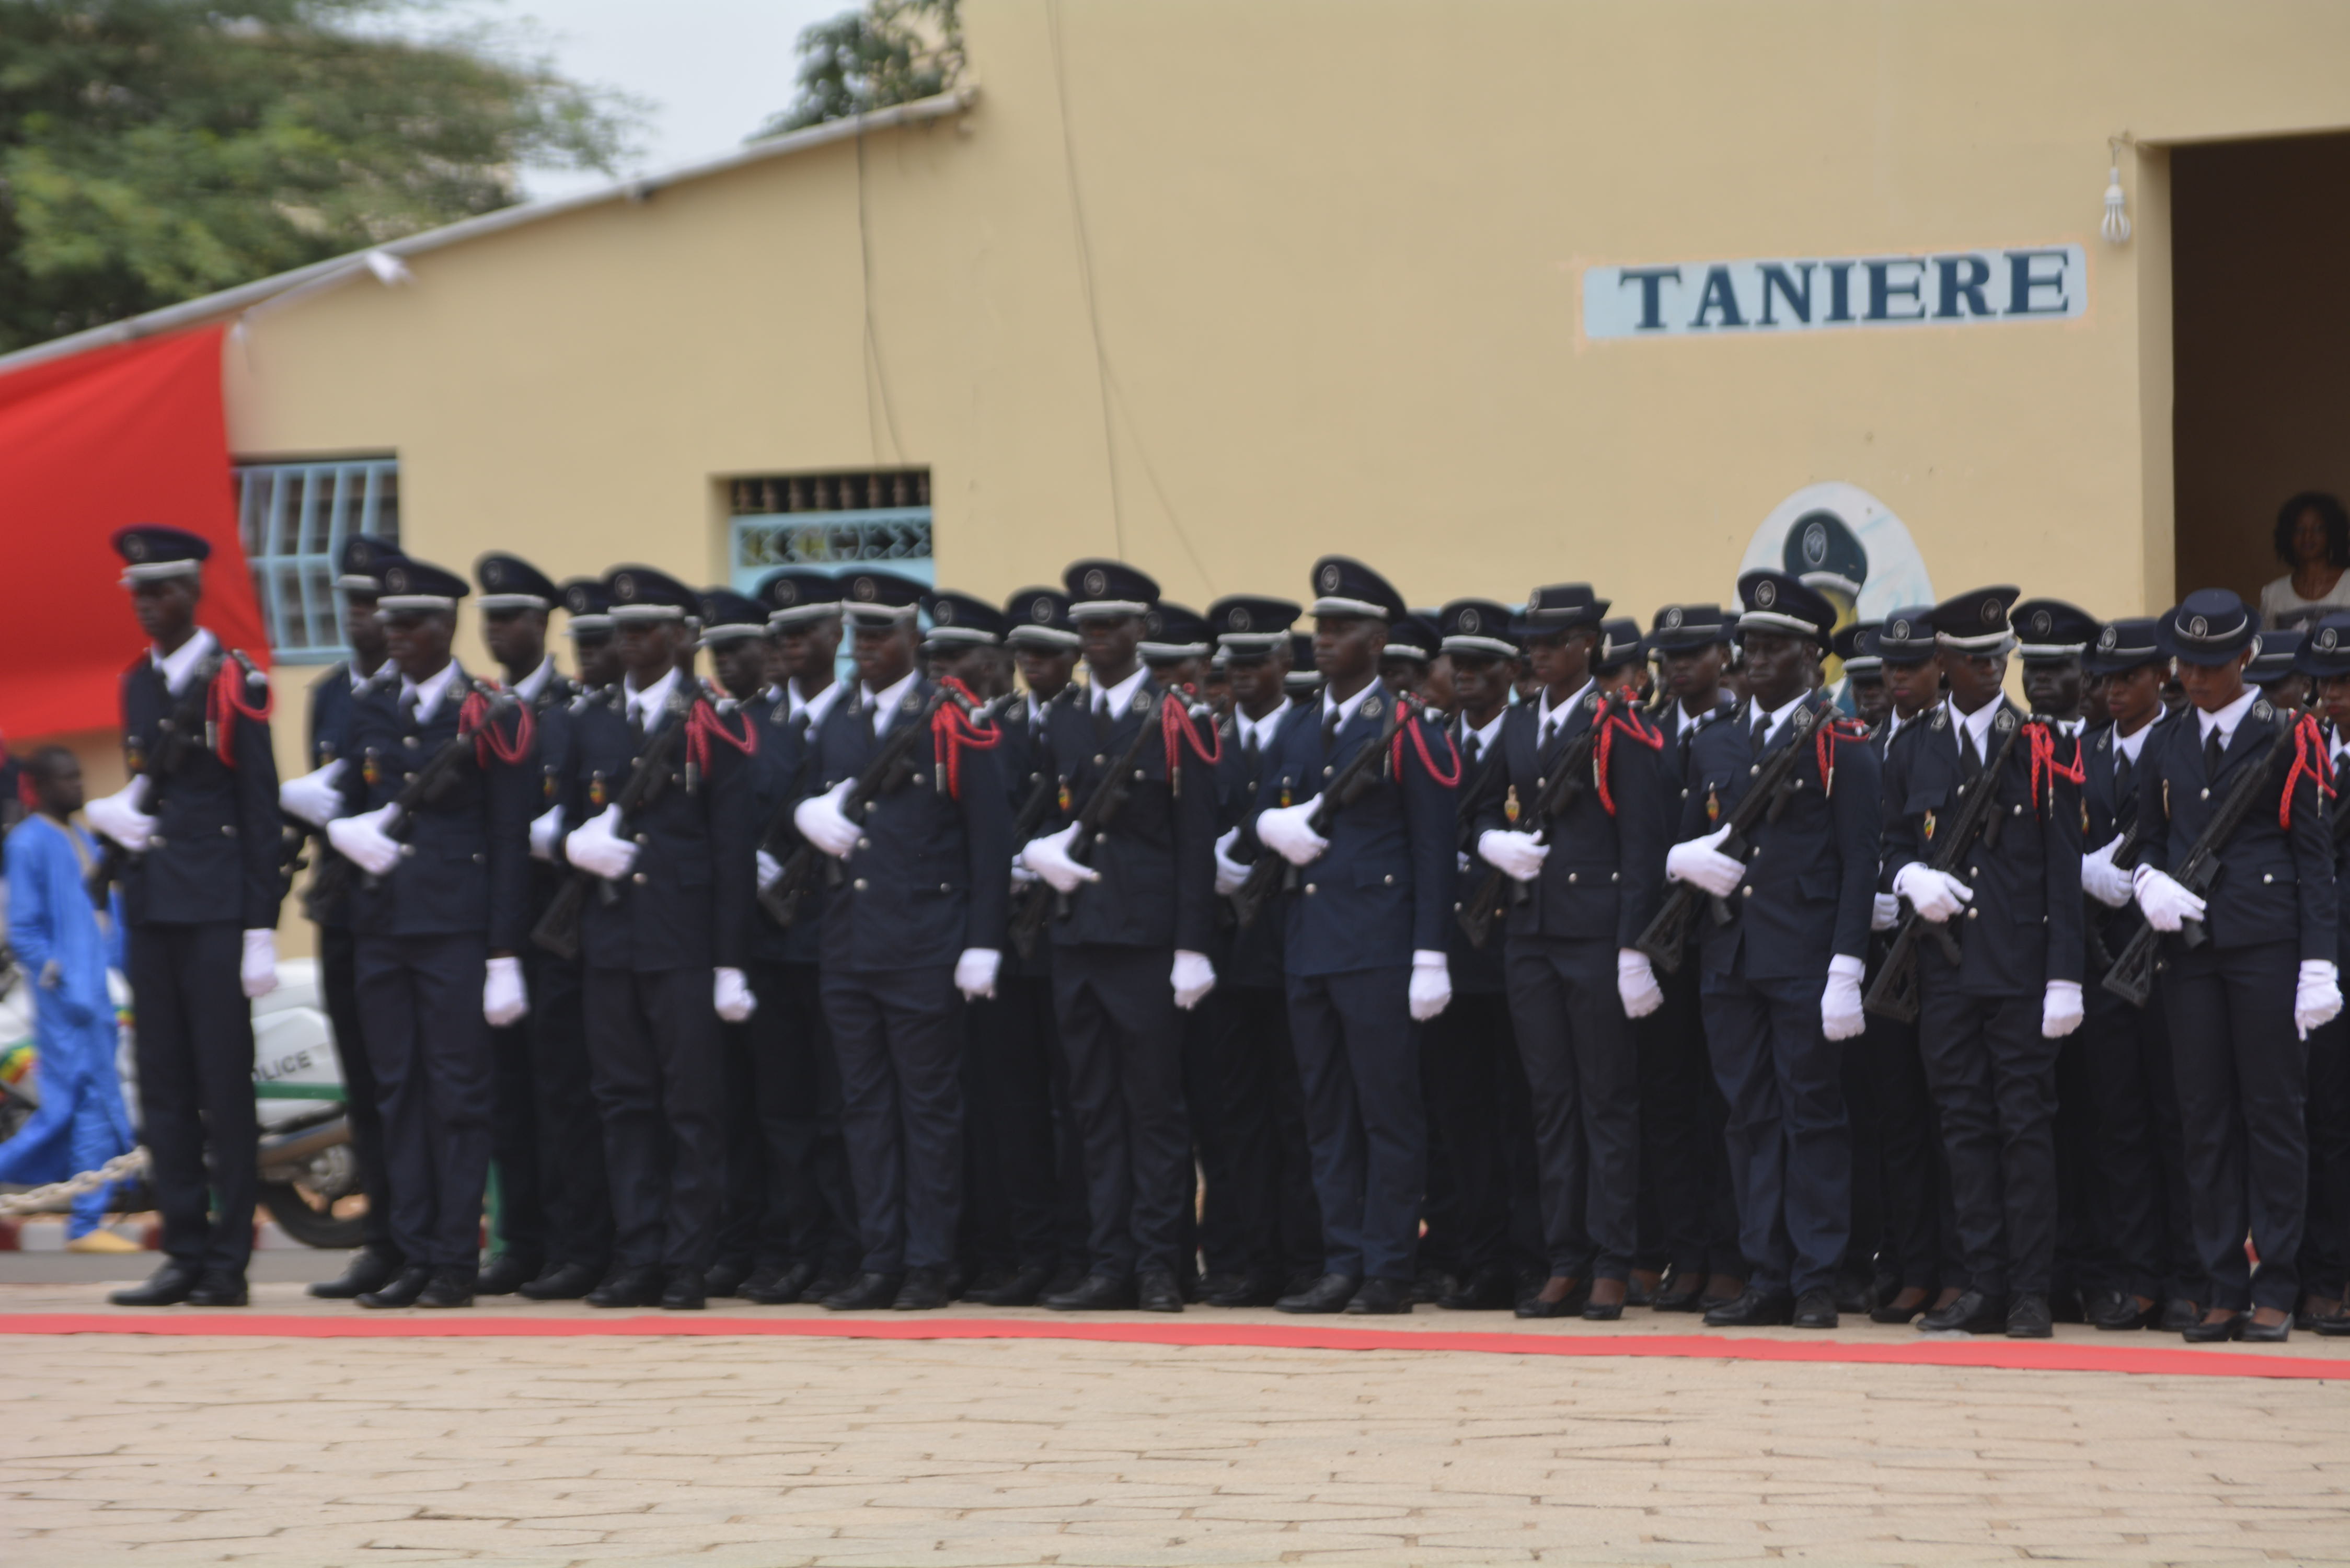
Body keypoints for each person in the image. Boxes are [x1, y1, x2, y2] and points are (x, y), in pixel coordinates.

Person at [304, 558, 536, 1309]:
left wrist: (504, 954)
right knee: (397, 1091)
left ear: (447, 627)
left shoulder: (489, 713)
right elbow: (341, 796)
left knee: (458, 1096)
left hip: (455, 931)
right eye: (389, 622)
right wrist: (341, 828)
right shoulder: (368, 707)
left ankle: (452, 1262)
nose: (394, 635)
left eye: (412, 623)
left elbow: (507, 840)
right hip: (380, 926)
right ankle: (411, 1250)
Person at [789, 569, 1010, 1311]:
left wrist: (984, 942)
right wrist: (805, 817)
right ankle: (879, 1258)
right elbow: (812, 805)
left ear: (915, 639)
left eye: (883, 634)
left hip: (926, 941)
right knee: (864, 1108)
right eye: (860, 634)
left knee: (927, 1109)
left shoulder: (952, 717)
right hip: (849, 946)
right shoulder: (839, 723)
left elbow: (988, 841)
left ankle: (927, 1263)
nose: (869, 647)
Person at [1664, 570, 1878, 1329]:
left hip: (1804, 958)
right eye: (1749, 644)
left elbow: (1860, 863)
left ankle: (1816, 1277)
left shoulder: (1841, 743)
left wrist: (1846, 969)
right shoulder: (1716, 741)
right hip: (1731, 958)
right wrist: (1679, 860)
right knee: (1749, 1117)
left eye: (1774, 646)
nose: (1755, 657)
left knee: (1811, 1114)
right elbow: (1687, 833)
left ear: (1812, 659)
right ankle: (1766, 1273)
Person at [1247, 556, 1457, 1316]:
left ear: (1379, 641)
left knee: (1387, 1113)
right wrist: (1271, 824)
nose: (1325, 641)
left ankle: (1390, 1268)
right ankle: (1342, 1262)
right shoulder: (1303, 725)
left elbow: (1435, 851)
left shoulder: (1407, 730)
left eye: (1342, 630)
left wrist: (1430, 957)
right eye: (1321, 629)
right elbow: (1259, 807)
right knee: (1326, 1114)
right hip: (1309, 947)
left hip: (1379, 948)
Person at [2133, 589, 2341, 1341]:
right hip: (2191, 953)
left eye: (2212, 665)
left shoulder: (2288, 735)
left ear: (2245, 660)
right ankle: (2223, 1283)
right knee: (2205, 1119)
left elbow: (2314, 861)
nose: (2195, 677)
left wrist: (2320, 964)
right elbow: (2148, 836)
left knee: (2273, 1116)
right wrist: (2147, 882)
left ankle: (2277, 1284)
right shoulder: (2170, 739)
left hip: (2267, 946)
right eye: (2186, 663)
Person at [1879, 589, 2086, 1340]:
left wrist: (2065, 976)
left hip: (2021, 970)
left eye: (1999, 657)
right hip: (1945, 969)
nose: (1992, 669)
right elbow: (1893, 841)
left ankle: (2029, 1290)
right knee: (1962, 1127)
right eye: (1974, 659)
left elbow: (2063, 875)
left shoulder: (2042, 745)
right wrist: (1910, 880)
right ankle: (1980, 1283)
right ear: (1942, 663)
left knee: (2025, 1127)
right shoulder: (1911, 747)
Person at [85, 525, 283, 1309]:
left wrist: (260, 926)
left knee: (223, 1089)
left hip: (216, 913)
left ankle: (228, 1262)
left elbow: (259, 807)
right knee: (163, 1088)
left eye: (160, 590)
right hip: (155, 908)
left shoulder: (236, 681)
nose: (146, 605)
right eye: (136, 592)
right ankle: (183, 1251)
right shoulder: (137, 682)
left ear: (192, 594)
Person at [555, 564, 760, 1310]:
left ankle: (686, 1262)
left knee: (692, 1108)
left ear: (682, 637)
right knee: (622, 1103)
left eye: (648, 629)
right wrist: (573, 844)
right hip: (612, 940)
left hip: (683, 944)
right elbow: (569, 814)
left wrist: (730, 965)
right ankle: (636, 1254)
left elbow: (732, 854)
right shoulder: (591, 721)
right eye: (624, 630)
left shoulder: (716, 721)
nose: (633, 642)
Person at [1015, 561, 1217, 1313]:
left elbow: (1195, 840)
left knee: (1155, 1110)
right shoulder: (1062, 715)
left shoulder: (1179, 718)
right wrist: (1038, 852)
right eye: (1087, 628)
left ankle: (1162, 1265)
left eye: (1112, 626)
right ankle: (1109, 1262)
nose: (1098, 640)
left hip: (1147, 940)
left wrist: (1193, 946)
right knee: (1095, 1110)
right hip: (1078, 937)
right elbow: (1043, 806)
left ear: (1143, 631)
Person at [1469, 585, 1668, 1320]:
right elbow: (1483, 803)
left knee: (1606, 1101)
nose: (1538, 653)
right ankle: (1565, 1260)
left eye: (1552, 642)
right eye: (1533, 643)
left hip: (1594, 936)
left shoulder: (1621, 727)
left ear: (1587, 644)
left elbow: (1643, 847)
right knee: (1550, 1103)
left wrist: (1631, 950)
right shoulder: (1518, 725)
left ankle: (1613, 1261)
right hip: (1531, 936)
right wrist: (1493, 840)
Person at [284, 534, 405, 1300]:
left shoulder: (413, 692)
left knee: (406, 1085)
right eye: (351, 605)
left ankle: (419, 1241)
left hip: (401, 915)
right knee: (362, 1084)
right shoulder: (329, 693)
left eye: (373, 606)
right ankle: (380, 1240)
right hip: (341, 912)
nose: (360, 620)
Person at [2077, 616, 2203, 1332]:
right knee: (2118, 1123)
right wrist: (2080, 874)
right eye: (2106, 678)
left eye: (2130, 676)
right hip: (2102, 961)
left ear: (2162, 676)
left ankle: (2189, 1275)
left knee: (2177, 1121)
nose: (2115, 689)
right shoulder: (2082, 751)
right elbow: (2056, 839)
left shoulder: (2182, 743)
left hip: (2170, 957)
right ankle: (2141, 1276)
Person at [968, 585, 1090, 1305]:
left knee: (1075, 1110)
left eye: (1049, 652)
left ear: (1073, 657)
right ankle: (1030, 1252)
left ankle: (1077, 1253)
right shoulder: (995, 725)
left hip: (1072, 937)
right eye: (1025, 652)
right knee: (1012, 1107)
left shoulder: (1090, 721)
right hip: (1009, 944)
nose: (1035, 663)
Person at [741, 567, 860, 1305]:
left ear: (836, 635)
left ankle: (848, 1250)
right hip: (767, 941)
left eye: (804, 633)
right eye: (780, 635)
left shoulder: (860, 717)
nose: (789, 647)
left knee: (839, 1108)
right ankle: (796, 1248)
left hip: (841, 940)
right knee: (780, 1109)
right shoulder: (753, 722)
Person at [1420, 598, 1542, 1313]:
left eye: (1480, 665)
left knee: (1521, 1115)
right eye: (1455, 664)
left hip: (1517, 949)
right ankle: (1481, 1257)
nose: (1464, 677)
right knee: (1461, 1116)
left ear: (1511, 671)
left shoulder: (1532, 736)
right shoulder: (1433, 740)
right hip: (1451, 959)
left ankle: (1529, 1258)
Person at [1203, 594, 1323, 1307]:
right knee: (1237, 1116)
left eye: (1257, 662)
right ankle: (1254, 1259)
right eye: (1233, 665)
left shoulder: (1310, 735)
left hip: (1290, 943)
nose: (1244, 676)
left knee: (1299, 1111)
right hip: (1223, 951)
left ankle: (1307, 1257)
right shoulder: (1205, 736)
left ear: (1285, 661)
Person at [468, 551, 577, 1297]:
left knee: (561, 1093)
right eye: (490, 619)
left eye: (511, 618)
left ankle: (568, 1242)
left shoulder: (568, 711)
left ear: (542, 624)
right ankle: (520, 1240)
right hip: (492, 929)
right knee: (505, 1094)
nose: (497, 631)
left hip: (556, 928)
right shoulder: (480, 710)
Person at [1856, 609, 1964, 1324]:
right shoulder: (1862, 742)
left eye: (1911, 665)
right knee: (1893, 1119)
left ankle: (1954, 1267)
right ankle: (1909, 1265)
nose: (1896, 678)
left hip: (1940, 954)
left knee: (1947, 1115)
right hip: (1871, 956)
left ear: (1941, 667)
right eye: (1886, 669)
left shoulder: (1946, 745)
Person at [1637, 604, 1744, 1312]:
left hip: (1727, 936)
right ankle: (1687, 1252)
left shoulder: (1741, 730)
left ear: (1724, 656)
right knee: (1667, 1104)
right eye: (1667, 655)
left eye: (1693, 651)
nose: (1677, 665)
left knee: (1725, 1103)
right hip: (1657, 941)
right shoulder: (1644, 733)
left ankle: (1731, 1255)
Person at [0, 747, 135, 1250]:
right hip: (63, 1004)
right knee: (66, 1109)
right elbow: (26, 928)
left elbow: (106, 916)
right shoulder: (28, 842)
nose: (77, 786)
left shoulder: (84, 839)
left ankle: (88, 1221)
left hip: (100, 996)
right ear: (38, 786)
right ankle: (83, 1219)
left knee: (96, 1105)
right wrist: (59, 977)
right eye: (65, 779)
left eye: (79, 776)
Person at [698, 586, 791, 1299]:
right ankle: (736, 1240)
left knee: (782, 1108)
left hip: (783, 937)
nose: (728, 663)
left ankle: (785, 1247)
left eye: (741, 649)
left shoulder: (791, 727)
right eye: (718, 652)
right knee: (725, 1107)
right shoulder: (710, 725)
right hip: (719, 937)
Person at [2297, 614, 2350, 1336]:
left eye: (2346, 682)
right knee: (2324, 1123)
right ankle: (2325, 1276)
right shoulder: (2300, 752)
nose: (2335, 696)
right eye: (2326, 683)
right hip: (2320, 963)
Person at [2259, 491, 2350, 631]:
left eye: (2318, 529)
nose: (2308, 536)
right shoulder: (2273, 594)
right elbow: (2268, 647)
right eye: (2300, 530)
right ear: (2288, 536)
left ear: (2332, 533)